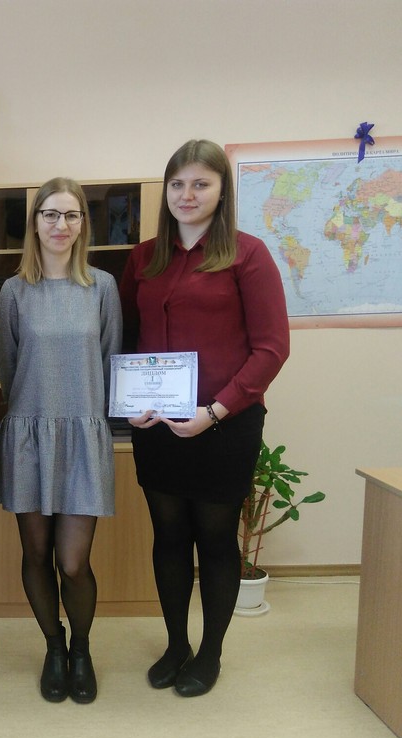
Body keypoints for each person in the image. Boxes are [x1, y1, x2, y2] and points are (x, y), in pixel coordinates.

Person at [119, 139, 290, 697]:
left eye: (200, 184)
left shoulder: (248, 254)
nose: (187, 195)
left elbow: (271, 349)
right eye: (177, 184)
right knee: (169, 535)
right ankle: (176, 645)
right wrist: (129, 401)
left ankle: (210, 652)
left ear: (222, 190)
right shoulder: (144, 257)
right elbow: (127, 336)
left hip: (225, 424)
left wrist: (215, 411)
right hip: (158, 427)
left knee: (215, 540)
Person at [0, 177, 122, 705]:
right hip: (29, 435)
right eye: (50, 214)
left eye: (70, 215)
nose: (60, 225)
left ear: (83, 223)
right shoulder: (15, 291)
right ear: (35, 223)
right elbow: (8, 367)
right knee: (36, 554)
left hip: (84, 435)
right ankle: (54, 647)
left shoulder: (102, 287)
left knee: (73, 563)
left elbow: (110, 360)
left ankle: (82, 648)